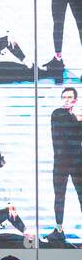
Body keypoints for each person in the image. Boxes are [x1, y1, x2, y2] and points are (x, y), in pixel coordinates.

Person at [46, 86, 82, 246]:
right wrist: (77, 119)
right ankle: (59, 230)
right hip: (61, 162)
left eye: (69, 97)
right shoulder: (58, 113)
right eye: (64, 97)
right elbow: (67, 132)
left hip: (77, 161)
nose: (66, 100)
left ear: (75, 100)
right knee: (59, 196)